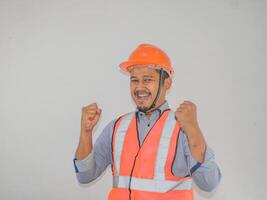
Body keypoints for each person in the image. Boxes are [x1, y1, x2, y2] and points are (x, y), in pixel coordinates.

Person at [73, 44, 221, 200]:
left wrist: (194, 131)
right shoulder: (117, 128)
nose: (139, 87)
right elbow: (85, 176)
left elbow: (209, 183)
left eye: (148, 80)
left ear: (167, 83)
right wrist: (86, 132)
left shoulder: (183, 128)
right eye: (134, 80)